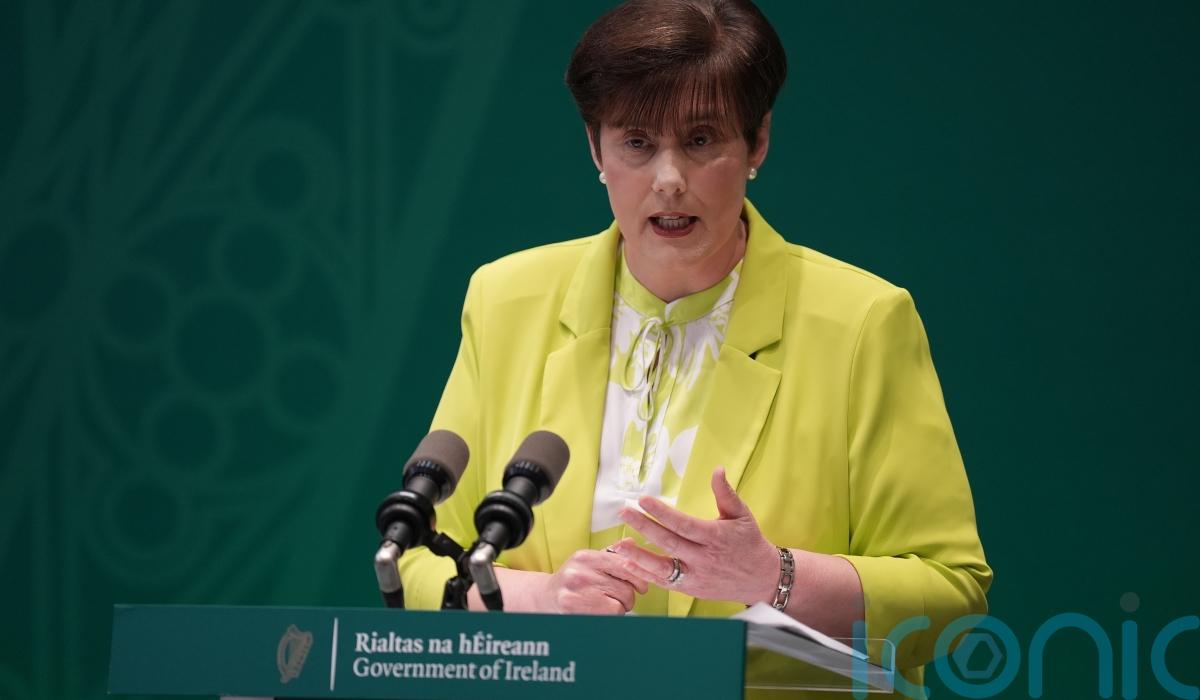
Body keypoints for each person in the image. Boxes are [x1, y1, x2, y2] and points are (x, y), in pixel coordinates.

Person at [398, 0, 991, 691]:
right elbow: (418, 559)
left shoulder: (861, 322)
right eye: (637, 143)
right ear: (596, 148)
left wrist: (773, 576)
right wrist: (543, 600)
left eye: (702, 140)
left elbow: (950, 596)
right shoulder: (507, 301)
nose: (669, 179)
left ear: (758, 141)